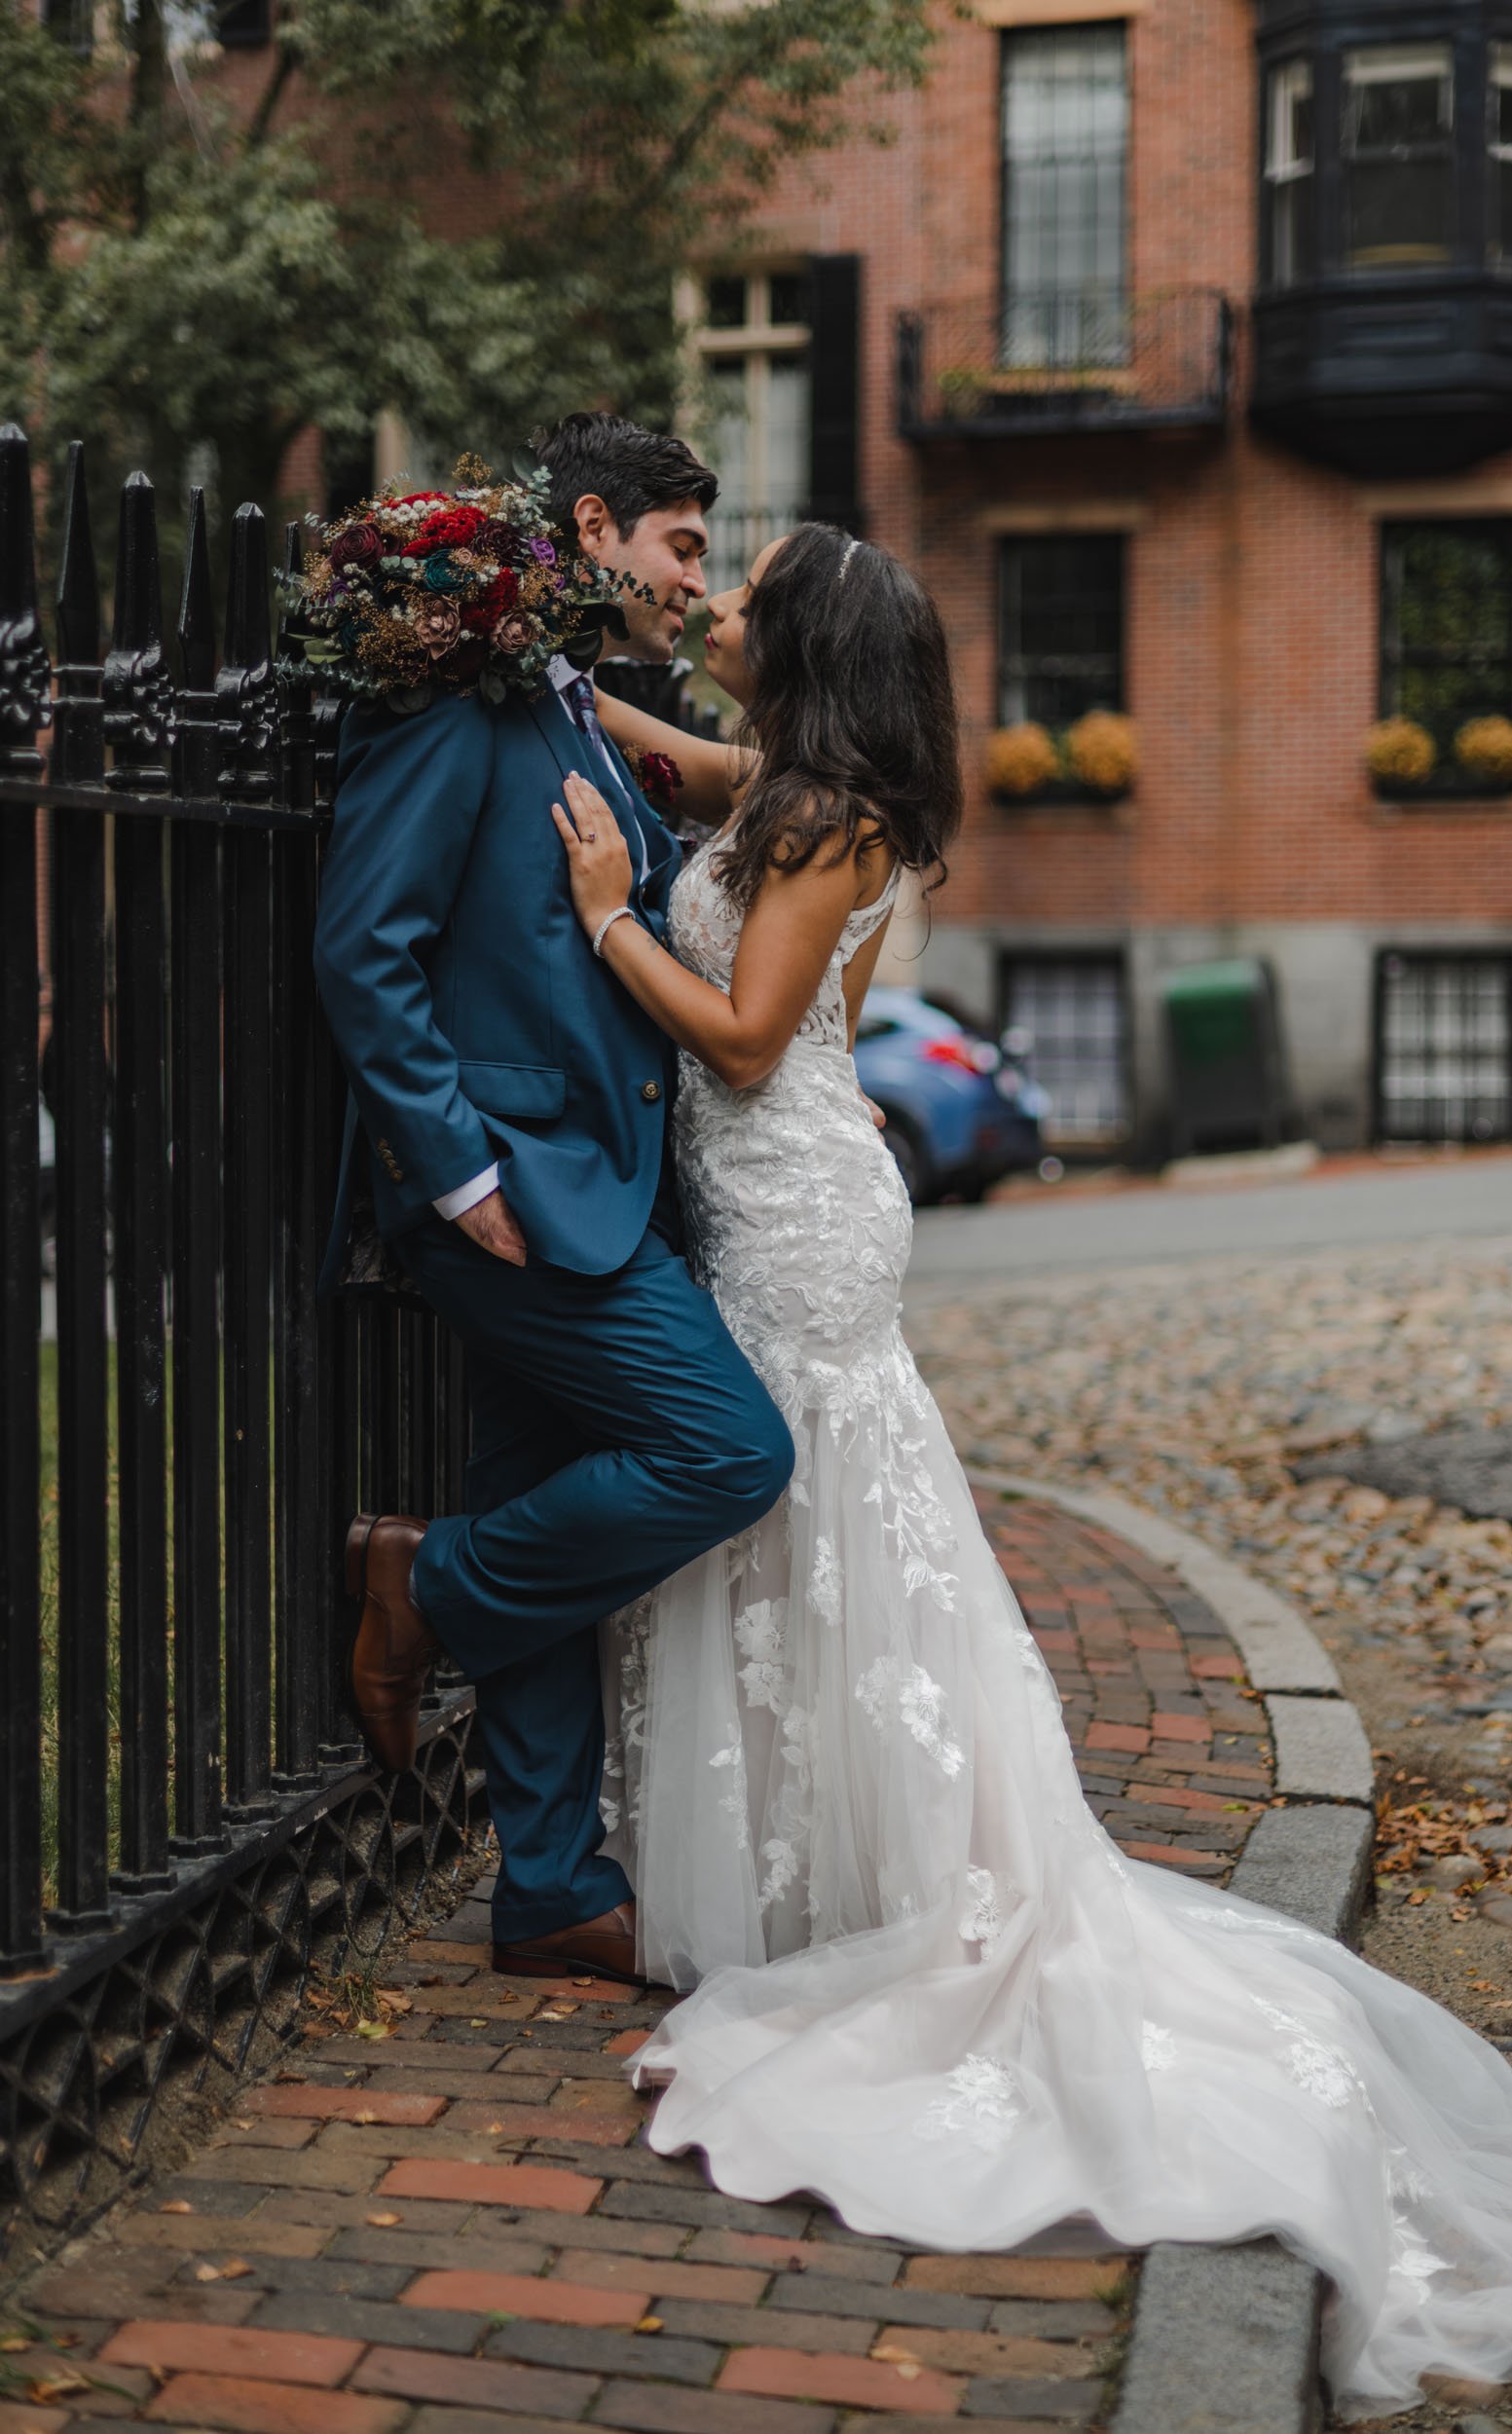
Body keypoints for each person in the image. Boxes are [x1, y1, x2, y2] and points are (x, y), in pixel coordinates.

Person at [547, 519, 1512, 2418]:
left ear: (799, 645)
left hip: (798, 1218)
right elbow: (683, 755)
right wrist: (567, 685)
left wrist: (610, 917)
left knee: (821, 1534)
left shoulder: (822, 831)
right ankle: (811, 1875)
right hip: (782, 1218)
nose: (713, 612)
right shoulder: (793, 788)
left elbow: (736, 1039)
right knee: (803, 1543)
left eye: (741, 596)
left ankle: (860, 1900)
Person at [312, 414, 793, 1987]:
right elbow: (365, 947)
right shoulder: (464, 702)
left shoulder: (589, 711)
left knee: (539, 1486)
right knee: (727, 1449)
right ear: (596, 529)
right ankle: (425, 1581)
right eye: (680, 549)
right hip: (514, 1200)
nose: (691, 582)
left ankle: (551, 1889)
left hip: (608, 1181)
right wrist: (456, 1175)